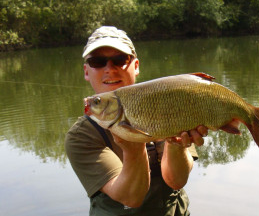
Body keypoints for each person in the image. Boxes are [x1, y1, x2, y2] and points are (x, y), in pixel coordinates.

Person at [65, 26, 208, 216]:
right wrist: (133, 145)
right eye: (97, 62)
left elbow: (176, 180)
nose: (109, 69)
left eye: (119, 60)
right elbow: (131, 198)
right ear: (86, 71)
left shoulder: (167, 101)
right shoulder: (81, 136)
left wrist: (175, 144)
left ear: (136, 66)